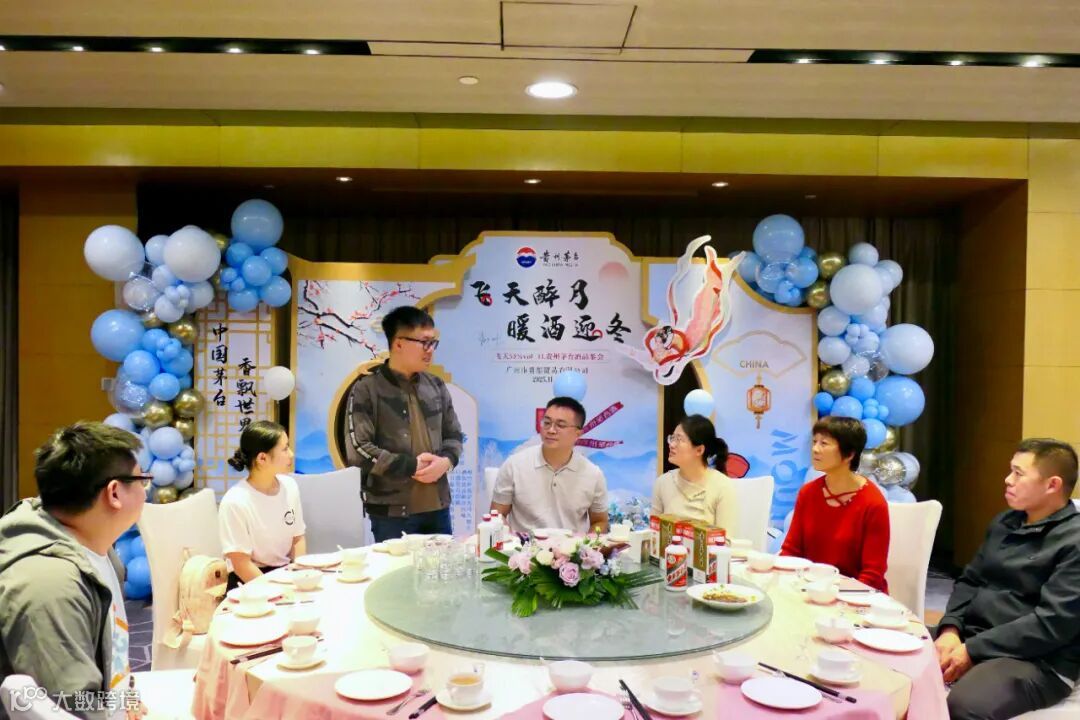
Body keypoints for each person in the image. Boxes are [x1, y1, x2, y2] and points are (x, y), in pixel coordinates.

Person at [0, 422, 148, 719]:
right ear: (114, 493)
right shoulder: (51, 587)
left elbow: (112, 647)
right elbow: (70, 708)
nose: (146, 492)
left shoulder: (96, 546)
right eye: (142, 481)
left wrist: (125, 696)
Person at [936, 438, 1080, 720]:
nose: (1007, 480)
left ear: (1052, 485)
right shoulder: (1005, 522)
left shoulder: (1073, 541)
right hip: (976, 636)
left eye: (1018, 473)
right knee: (897, 658)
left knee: (964, 705)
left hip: (1039, 660)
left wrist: (973, 650)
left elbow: (1051, 625)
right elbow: (970, 580)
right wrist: (950, 629)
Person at [344, 306, 463, 541]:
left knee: (443, 565)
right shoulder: (368, 389)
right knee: (393, 566)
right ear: (398, 343)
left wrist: (446, 461)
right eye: (424, 342)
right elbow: (358, 450)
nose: (430, 350)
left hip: (438, 506)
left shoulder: (436, 385)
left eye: (433, 343)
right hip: (391, 513)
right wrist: (410, 466)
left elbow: (455, 435)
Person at [780, 416, 889, 592]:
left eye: (824, 443)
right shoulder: (808, 493)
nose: (815, 449)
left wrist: (833, 593)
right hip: (811, 590)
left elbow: (872, 574)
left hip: (857, 595)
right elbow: (790, 552)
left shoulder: (873, 502)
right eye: (814, 442)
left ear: (849, 454)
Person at [491, 397, 609, 535]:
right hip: (524, 546)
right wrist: (511, 541)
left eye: (560, 425)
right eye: (547, 423)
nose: (551, 430)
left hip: (570, 547)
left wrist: (587, 544)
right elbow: (497, 515)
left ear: (577, 434)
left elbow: (600, 521)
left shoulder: (593, 474)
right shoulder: (514, 465)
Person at [219, 420, 306, 590]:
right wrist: (274, 590)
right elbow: (241, 564)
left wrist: (300, 574)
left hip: (285, 573)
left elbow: (298, 538)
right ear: (262, 458)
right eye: (285, 449)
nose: (291, 454)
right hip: (249, 582)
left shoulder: (290, 486)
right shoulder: (235, 501)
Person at [652, 414, 731, 528]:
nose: (671, 445)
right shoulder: (662, 483)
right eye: (672, 438)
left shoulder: (723, 486)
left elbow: (727, 537)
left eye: (679, 439)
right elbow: (654, 531)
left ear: (699, 450)